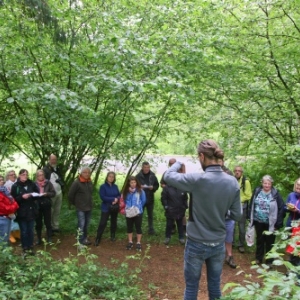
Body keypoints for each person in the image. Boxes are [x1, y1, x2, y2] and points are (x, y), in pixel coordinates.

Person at [164, 139, 242, 300]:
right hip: (218, 243)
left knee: (192, 287)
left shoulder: (197, 180)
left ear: (201, 156)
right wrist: (221, 211)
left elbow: (168, 176)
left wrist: (178, 163)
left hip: (196, 243)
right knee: (214, 286)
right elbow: (237, 215)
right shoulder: (232, 182)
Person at [248, 175, 284, 265]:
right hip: (258, 221)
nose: (267, 185)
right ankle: (258, 258)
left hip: (271, 223)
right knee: (260, 240)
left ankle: (269, 261)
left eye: (268, 183)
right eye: (265, 183)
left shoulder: (275, 194)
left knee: (270, 241)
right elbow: (252, 204)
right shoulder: (257, 191)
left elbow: (281, 208)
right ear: (262, 183)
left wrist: (278, 224)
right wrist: (250, 217)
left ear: (271, 184)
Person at [11, 169, 40, 256]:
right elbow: (13, 199)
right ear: (19, 175)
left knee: (30, 230)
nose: (25, 176)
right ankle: (25, 248)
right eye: (23, 174)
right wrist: (22, 197)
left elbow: (37, 194)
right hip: (21, 212)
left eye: (26, 174)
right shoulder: (15, 186)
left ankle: (31, 247)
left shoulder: (31, 183)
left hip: (31, 210)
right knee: (23, 231)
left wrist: (33, 195)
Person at [161, 170, 188, 245]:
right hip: (170, 209)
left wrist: (185, 206)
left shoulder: (182, 187)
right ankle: (167, 237)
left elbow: (185, 198)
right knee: (169, 224)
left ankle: (181, 237)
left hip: (180, 209)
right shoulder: (167, 188)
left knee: (180, 224)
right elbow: (164, 198)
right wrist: (166, 207)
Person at [68, 167, 93, 246]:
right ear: (81, 173)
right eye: (85, 172)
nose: (87, 174)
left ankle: (84, 239)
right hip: (80, 208)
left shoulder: (89, 182)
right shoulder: (76, 183)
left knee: (86, 224)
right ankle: (79, 242)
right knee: (81, 225)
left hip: (89, 207)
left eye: (88, 173)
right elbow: (70, 195)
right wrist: (76, 203)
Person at [94, 171, 121, 246]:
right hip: (106, 207)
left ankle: (112, 236)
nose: (111, 178)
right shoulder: (103, 186)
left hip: (114, 207)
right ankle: (98, 238)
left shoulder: (115, 186)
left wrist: (116, 199)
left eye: (113, 177)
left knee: (113, 222)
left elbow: (119, 195)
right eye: (110, 176)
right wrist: (113, 199)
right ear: (107, 177)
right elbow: (103, 197)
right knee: (103, 223)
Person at [123, 176, 146, 251]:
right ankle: (130, 241)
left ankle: (138, 242)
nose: (133, 184)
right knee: (129, 227)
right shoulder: (126, 191)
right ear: (129, 183)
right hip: (129, 212)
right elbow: (124, 201)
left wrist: (138, 208)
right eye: (131, 182)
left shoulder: (140, 191)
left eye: (134, 182)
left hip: (138, 212)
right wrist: (129, 208)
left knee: (138, 227)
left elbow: (143, 200)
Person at [136, 162, 159, 235]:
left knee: (150, 215)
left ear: (149, 167)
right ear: (142, 168)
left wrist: (153, 188)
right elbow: (133, 186)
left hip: (150, 198)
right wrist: (139, 187)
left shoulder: (152, 175)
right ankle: (138, 229)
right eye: (145, 167)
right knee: (139, 215)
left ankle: (151, 230)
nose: (146, 169)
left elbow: (157, 185)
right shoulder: (138, 176)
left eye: (148, 167)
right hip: (140, 198)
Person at [43, 154, 64, 233]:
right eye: (52, 159)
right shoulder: (45, 169)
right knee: (49, 211)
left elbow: (61, 179)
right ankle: (48, 227)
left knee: (57, 210)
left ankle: (55, 226)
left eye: (55, 159)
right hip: (51, 193)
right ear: (49, 160)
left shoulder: (57, 169)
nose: (54, 161)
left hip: (59, 192)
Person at [234, 166, 252, 253]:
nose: (237, 172)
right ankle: (232, 242)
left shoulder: (246, 182)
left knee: (241, 227)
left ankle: (241, 244)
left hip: (242, 207)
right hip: (232, 207)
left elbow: (248, 195)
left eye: (239, 171)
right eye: (236, 171)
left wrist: (238, 200)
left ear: (242, 173)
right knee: (232, 226)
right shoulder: (232, 180)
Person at [35, 169, 56, 244]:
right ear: (37, 176)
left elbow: (53, 193)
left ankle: (49, 237)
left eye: (42, 175)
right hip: (37, 204)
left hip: (46, 203)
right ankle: (39, 239)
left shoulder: (48, 183)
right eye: (39, 175)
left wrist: (47, 194)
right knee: (38, 222)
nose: (41, 176)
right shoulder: (34, 184)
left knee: (48, 221)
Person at [284, 178, 300, 268]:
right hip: (289, 224)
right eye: (297, 184)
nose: (298, 186)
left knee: (297, 248)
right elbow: (284, 207)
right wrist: (288, 208)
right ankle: (288, 269)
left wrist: (297, 211)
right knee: (288, 246)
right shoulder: (291, 195)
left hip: (298, 226)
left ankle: (296, 269)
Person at [0, 175, 19, 246]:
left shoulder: (5, 191)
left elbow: (14, 202)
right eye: (0, 180)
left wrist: (12, 206)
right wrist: (12, 207)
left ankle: (6, 255)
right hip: (2, 218)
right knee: (3, 239)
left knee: (7, 238)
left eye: (2, 180)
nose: (2, 181)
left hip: (8, 217)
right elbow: (3, 208)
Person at [4, 170, 19, 243]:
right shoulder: (6, 185)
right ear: (8, 177)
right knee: (12, 219)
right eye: (11, 175)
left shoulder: (18, 182)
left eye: (14, 174)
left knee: (18, 219)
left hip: (18, 203)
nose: (13, 176)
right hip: (10, 204)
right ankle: (10, 234)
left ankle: (16, 232)